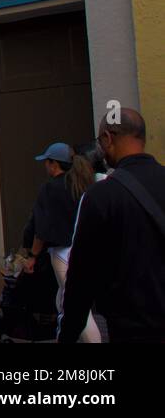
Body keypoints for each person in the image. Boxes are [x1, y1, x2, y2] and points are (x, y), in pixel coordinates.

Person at [59, 108, 165, 343]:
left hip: (133, 331)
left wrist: (68, 334)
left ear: (107, 138)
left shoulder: (101, 196)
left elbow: (81, 277)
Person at [19, 140, 99, 341]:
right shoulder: (82, 184)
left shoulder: (50, 189)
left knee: (75, 306)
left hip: (63, 253)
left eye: (46, 162)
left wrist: (32, 256)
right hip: (86, 250)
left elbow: (40, 229)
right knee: (63, 300)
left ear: (54, 164)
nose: (45, 165)